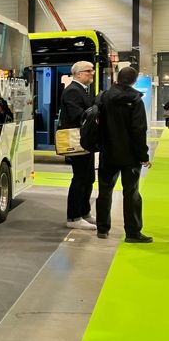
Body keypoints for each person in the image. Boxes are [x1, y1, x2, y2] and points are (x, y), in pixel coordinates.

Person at [95, 67, 153, 242]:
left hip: (107, 153)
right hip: (130, 156)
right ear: (134, 81)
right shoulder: (136, 100)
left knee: (104, 191)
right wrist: (143, 156)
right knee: (131, 193)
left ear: (118, 78)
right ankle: (133, 233)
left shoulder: (104, 97)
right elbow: (138, 130)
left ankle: (102, 229)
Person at [59, 61, 97, 230]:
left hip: (85, 141)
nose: (92, 73)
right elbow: (78, 116)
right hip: (78, 141)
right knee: (80, 178)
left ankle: (84, 212)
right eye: (89, 71)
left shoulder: (81, 90)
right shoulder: (73, 91)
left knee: (88, 178)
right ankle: (74, 217)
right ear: (79, 73)